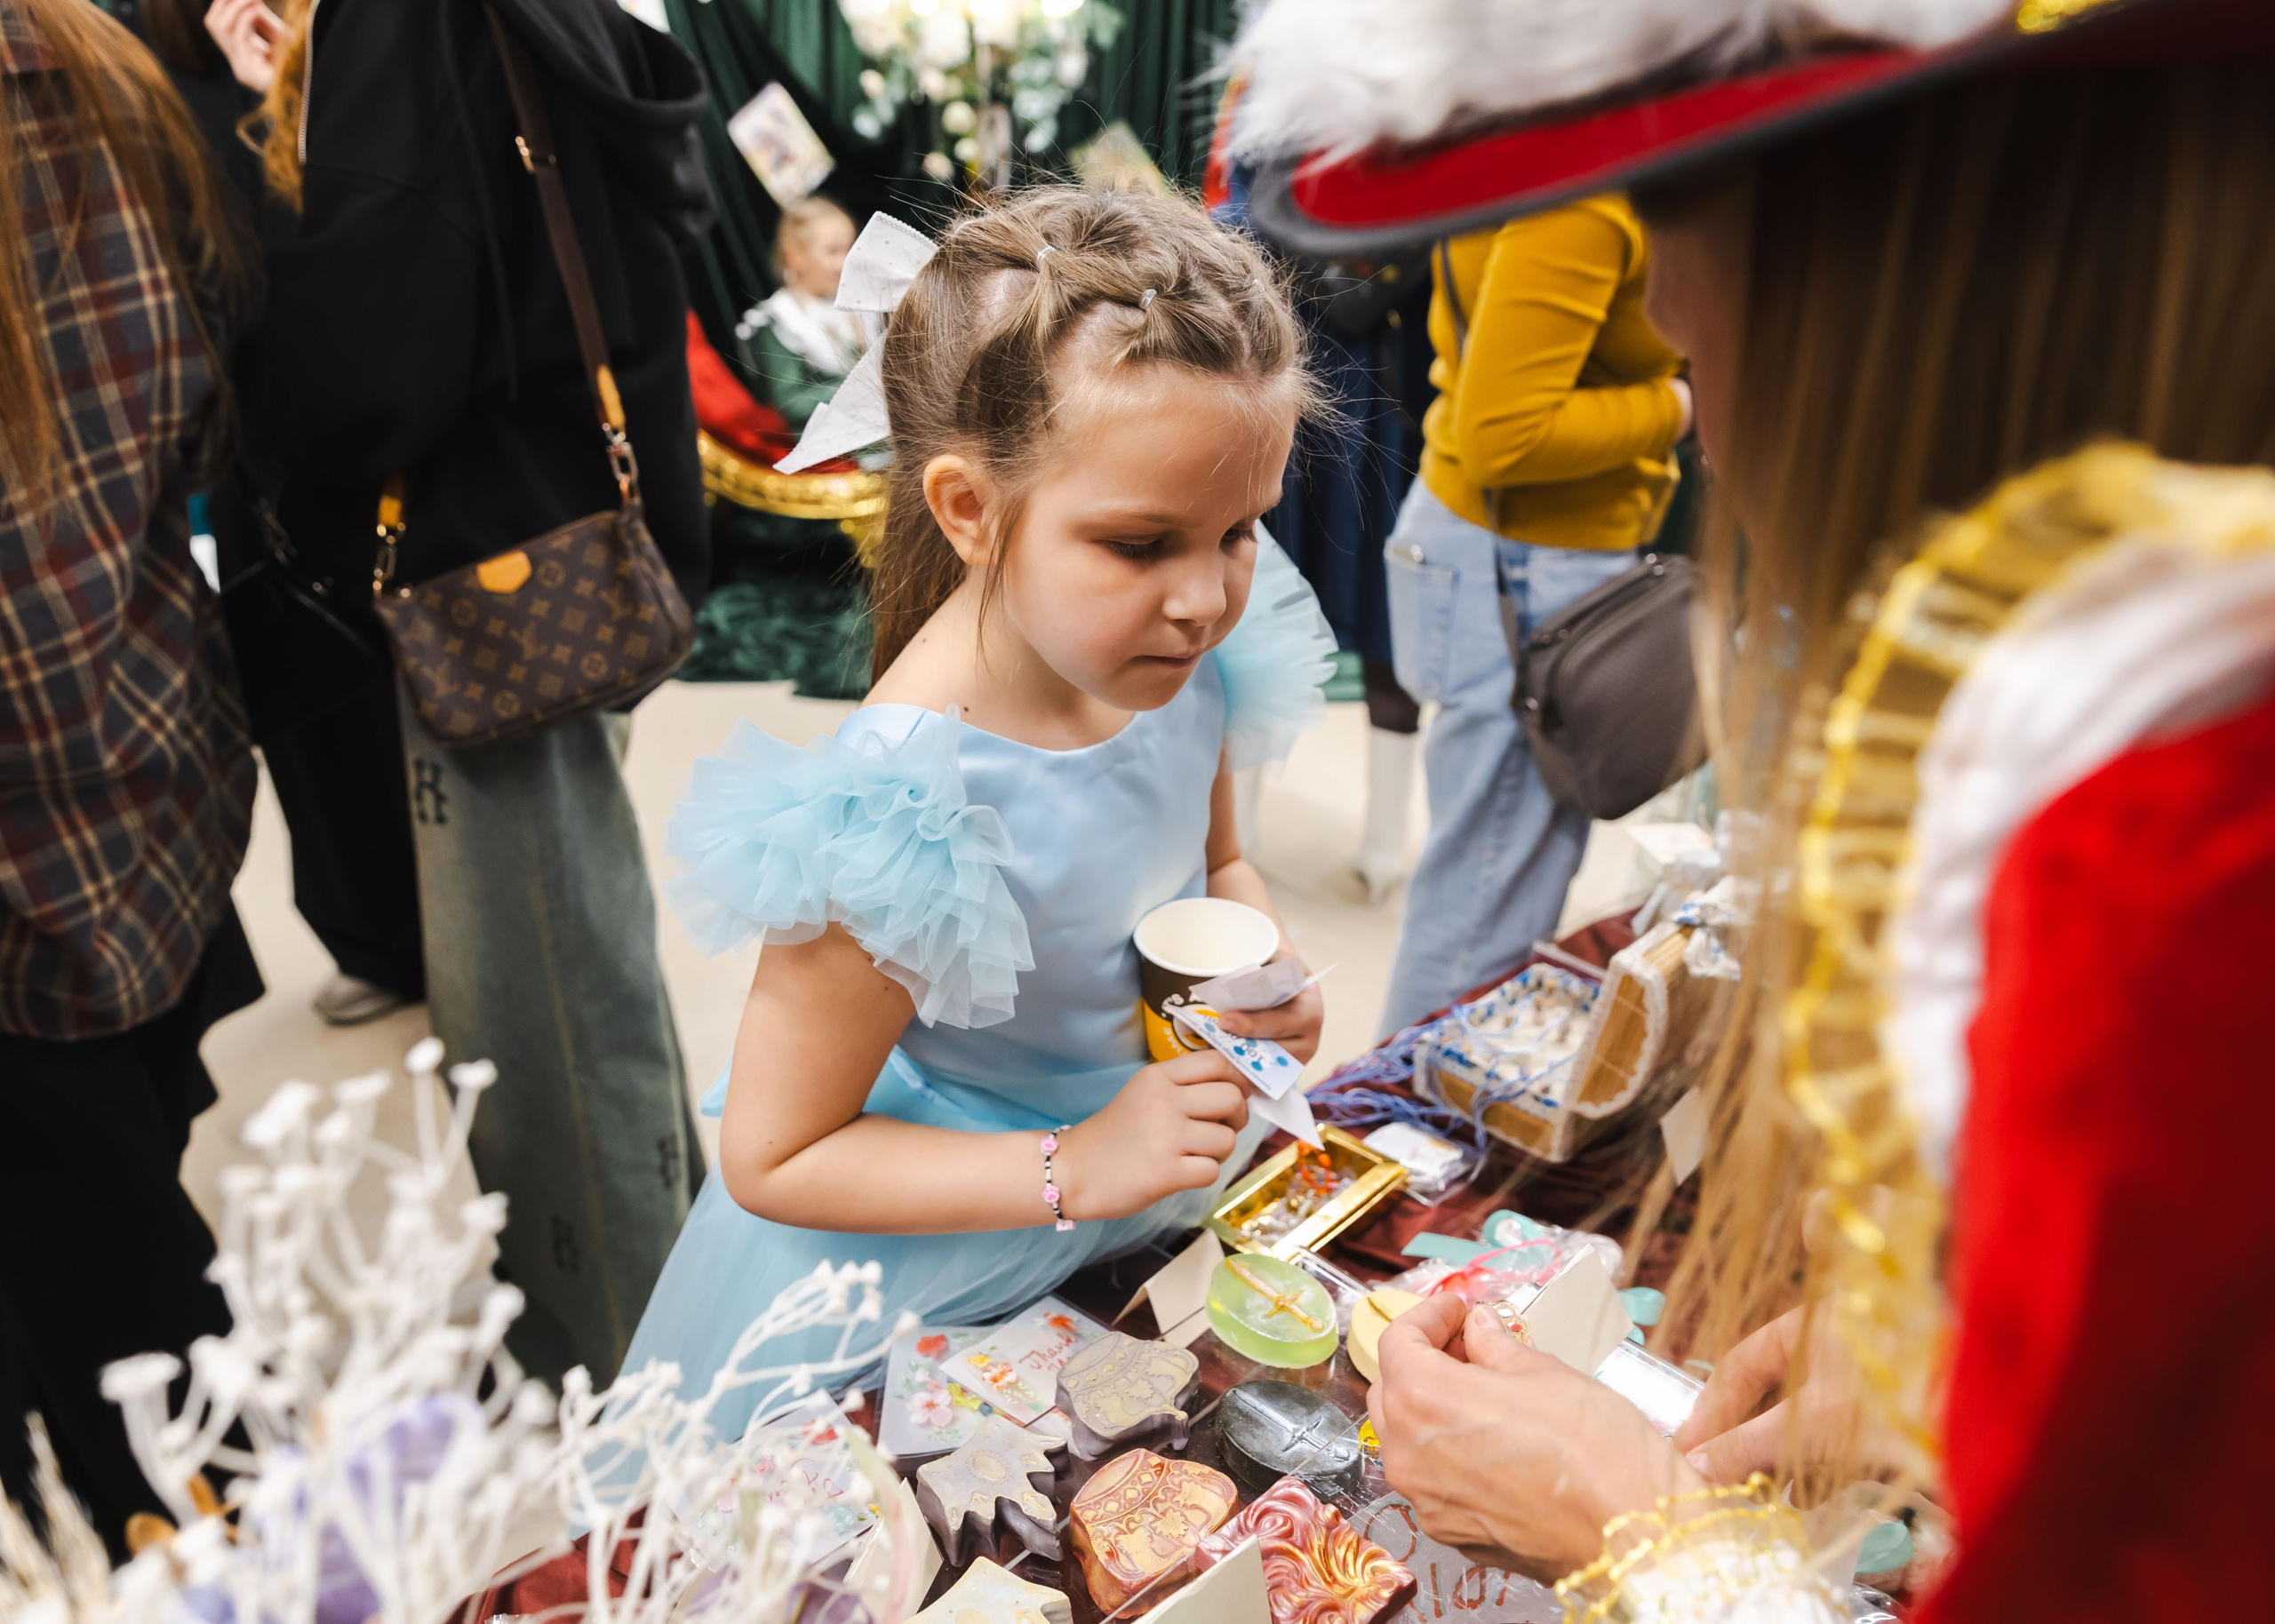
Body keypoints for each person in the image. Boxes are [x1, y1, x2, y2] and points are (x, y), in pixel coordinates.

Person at [1231, 0, 2275, 1616]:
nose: (1706, 426)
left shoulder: (2187, 896)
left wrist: (1645, 1536)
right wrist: (1944, 1372)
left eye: (1698, 353)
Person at [620, 186, 1335, 1438]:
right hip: (945, 1256)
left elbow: (1218, 861)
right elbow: (776, 1157)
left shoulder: (1178, 662)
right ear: (968, 511)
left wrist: (1260, 956)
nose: (1204, 598)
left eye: (1239, 532)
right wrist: (1079, 1165)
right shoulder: (902, 805)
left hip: (1146, 1166)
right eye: (1140, 543)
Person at [235, 0, 714, 1390]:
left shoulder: (401, 23)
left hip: (486, 574)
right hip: (575, 522)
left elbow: (373, 347)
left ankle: (623, 1363)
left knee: (541, 998)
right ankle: (653, 1286)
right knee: (585, 957)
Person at [0, 0, 262, 1555]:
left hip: (35, 845)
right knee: (123, 1248)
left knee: (139, 1335)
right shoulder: (101, 67)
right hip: (154, 757)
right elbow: (212, 418)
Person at [1375, 199, 1691, 1035]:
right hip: (1522, 560)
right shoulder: (1590, 199)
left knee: (1490, 881)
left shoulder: (1556, 161)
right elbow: (1504, 433)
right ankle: (1410, 1141)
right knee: (1485, 903)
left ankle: (1411, 1127)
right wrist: (1682, 407)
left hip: (1513, 551)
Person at [736, 195, 873, 435]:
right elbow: (790, 403)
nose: (844, 263)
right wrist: (862, 391)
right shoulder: (781, 318)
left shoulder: (854, 308)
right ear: (795, 256)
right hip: (823, 441)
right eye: (832, 251)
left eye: (849, 250)